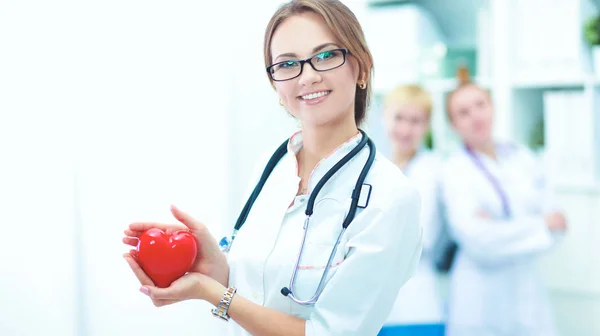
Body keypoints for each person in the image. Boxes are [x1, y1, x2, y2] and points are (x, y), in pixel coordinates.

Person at [122, 1, 423, 335]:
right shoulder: (272, 167)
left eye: (325, 56)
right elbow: (258, 290)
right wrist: (212, 268)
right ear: (276, 85)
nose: (307, 76)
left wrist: (212, 293)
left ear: (362, 67)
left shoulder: (391, 197)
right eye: (287, 63)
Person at [440, 76, 567, 336]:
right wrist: (539, 226)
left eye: (480, 104)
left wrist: (501, 228)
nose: (476, 116)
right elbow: (479, 242)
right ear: (454, 125)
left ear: (493, 106)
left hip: (528, 292)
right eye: (463, 113)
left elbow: (559, 226)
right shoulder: (454, 171)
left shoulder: (522, 157)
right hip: (480, 301)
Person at [379, 85, 445, 332]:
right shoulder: (369, 167)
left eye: (416, 121)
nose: (406, 129)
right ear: (383, 116)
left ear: (426, 126)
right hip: (375, 305)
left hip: (419, 302)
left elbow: (422, 235)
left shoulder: (436, 170)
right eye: (399, 118)